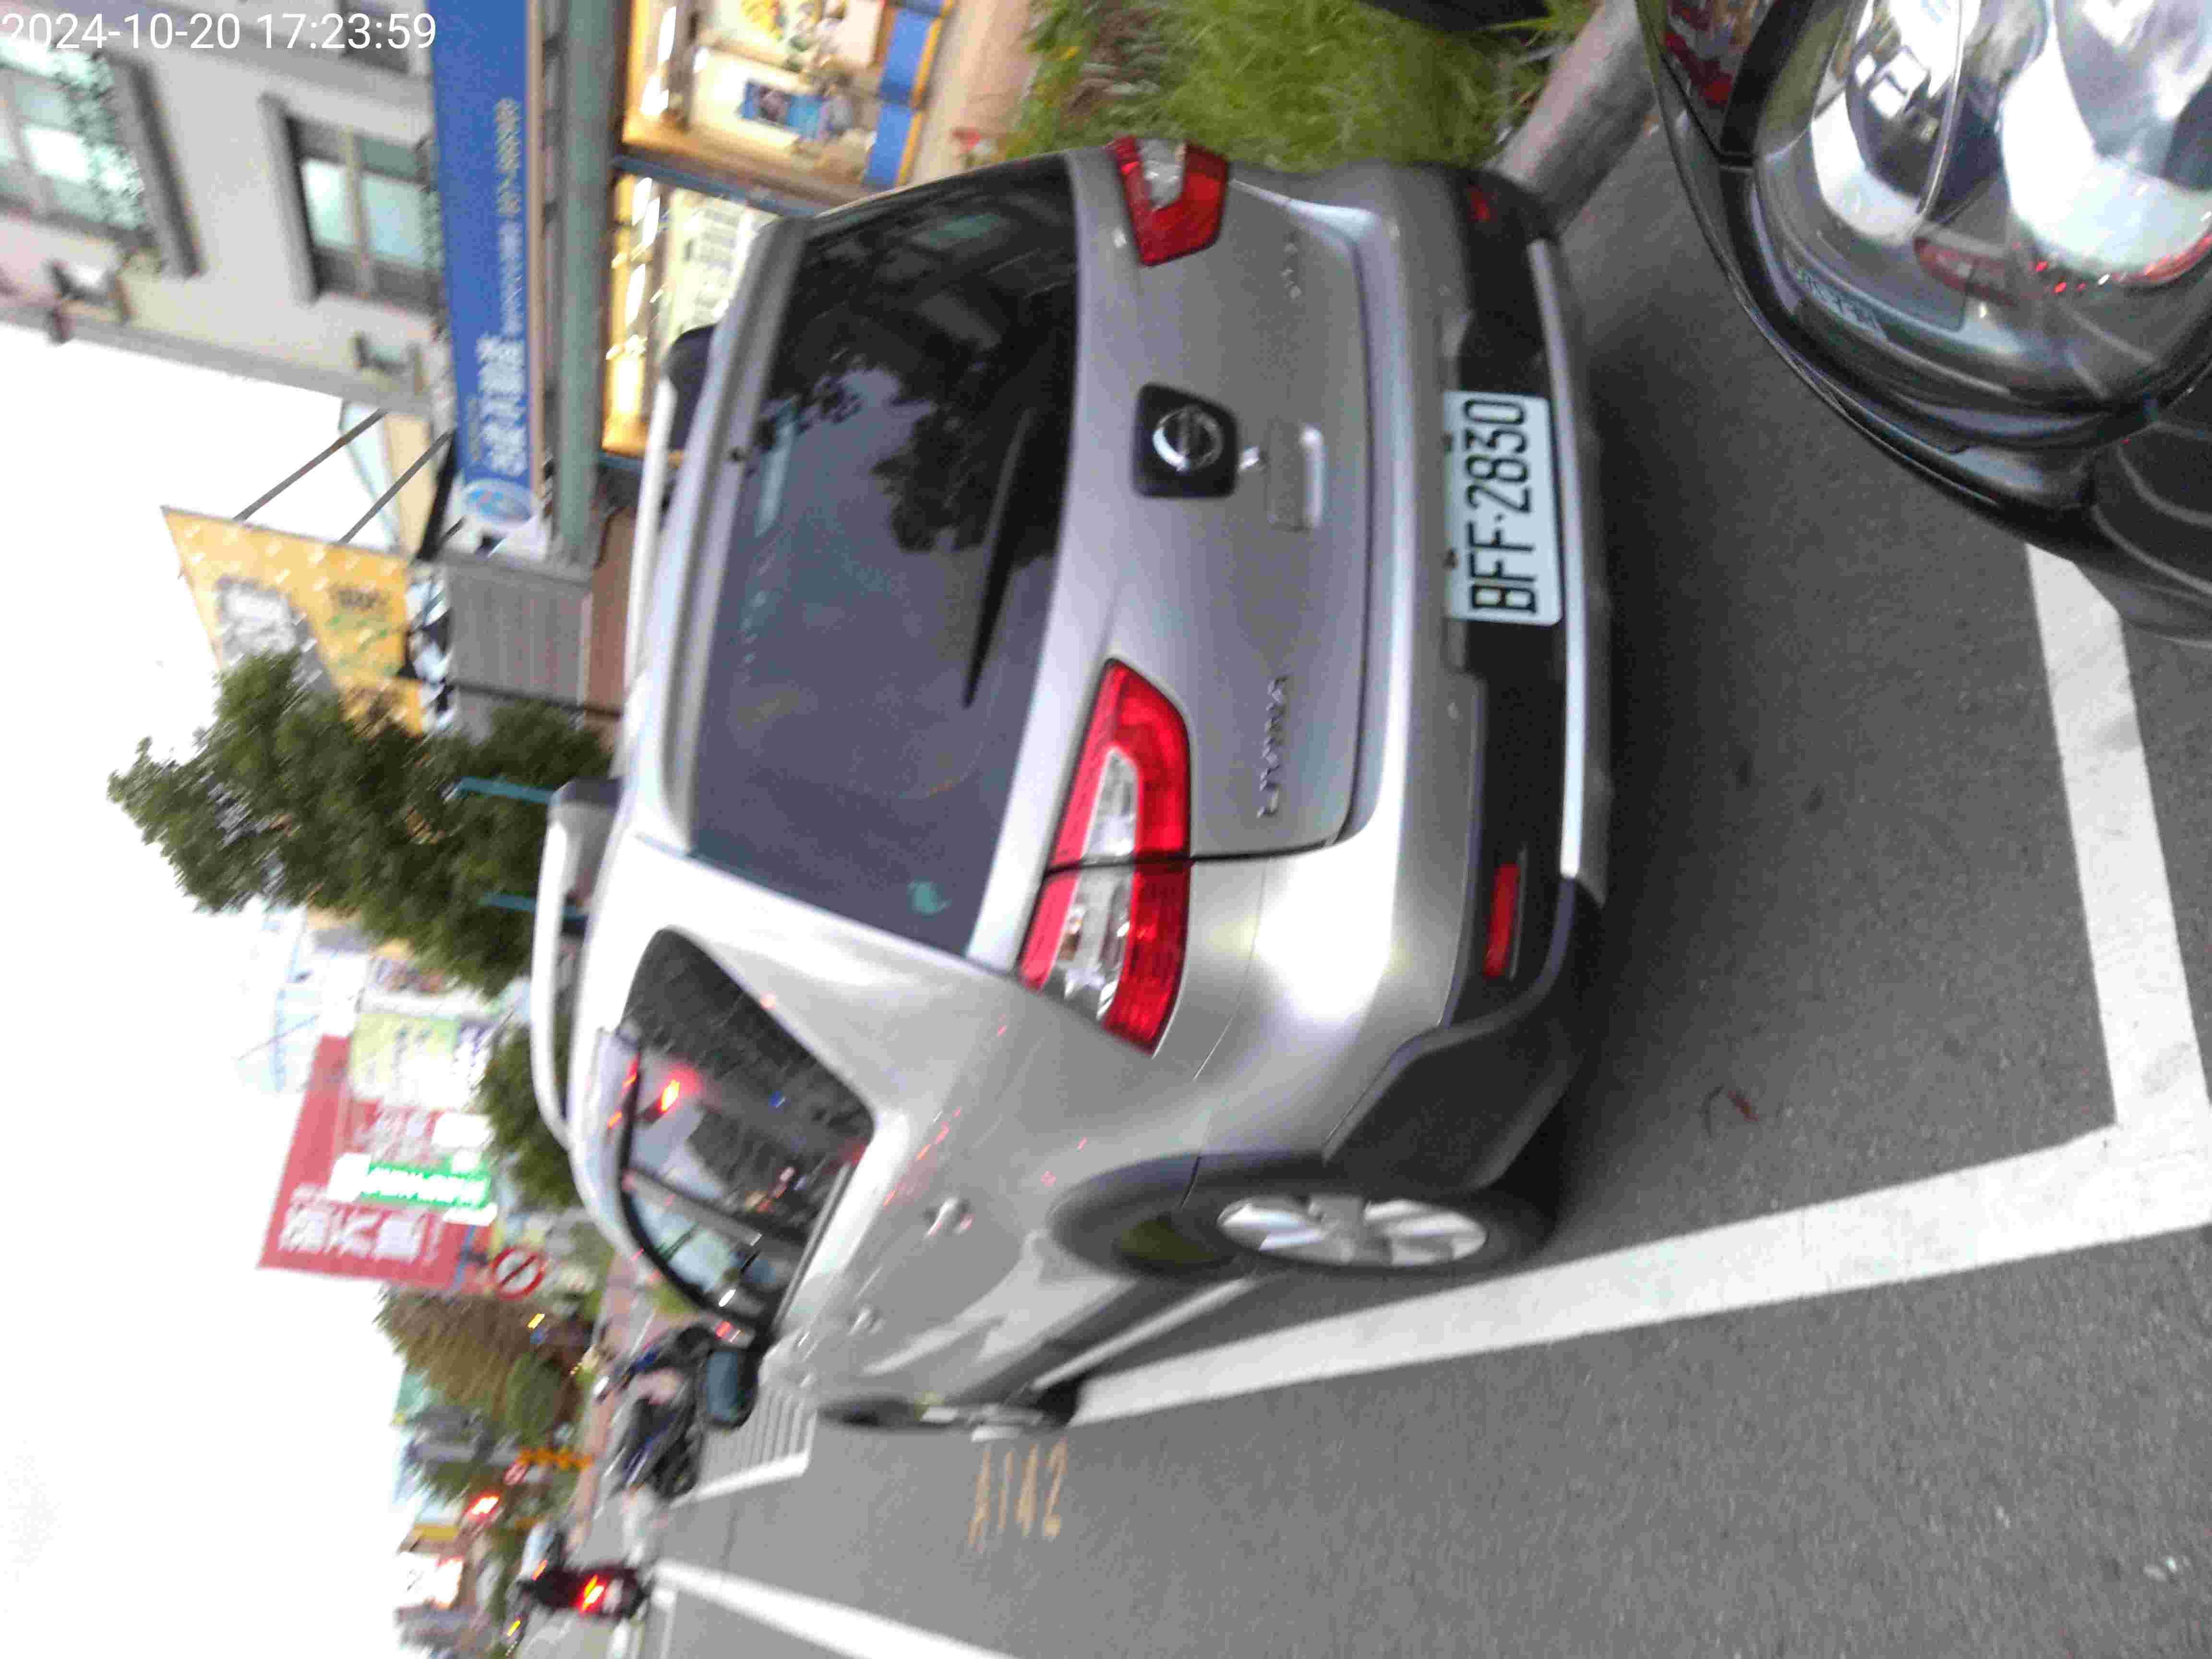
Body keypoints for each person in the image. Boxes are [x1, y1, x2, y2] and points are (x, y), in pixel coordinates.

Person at [512, 1560, 650, 1622]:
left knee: (596, 1613)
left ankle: (626, 1614)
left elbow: (557, 1608)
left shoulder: (541, 1601)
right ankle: (635, 1572)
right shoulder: (543, 1577)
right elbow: (561, 1569)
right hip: (581, 1583)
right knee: (607, 1570)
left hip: (579, 1598)